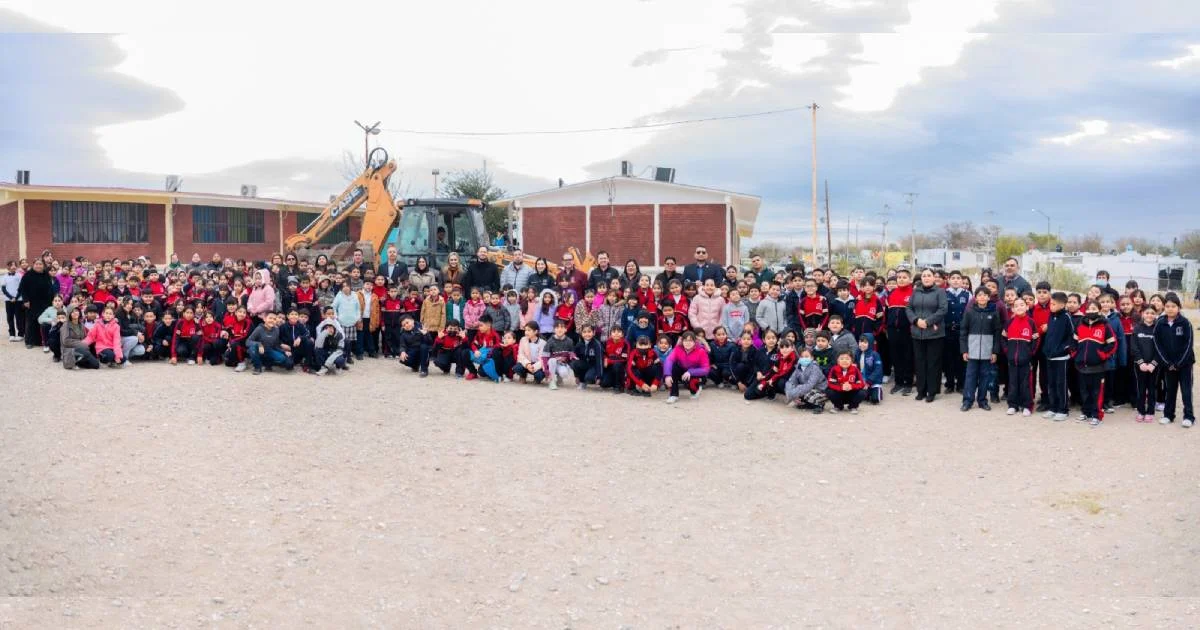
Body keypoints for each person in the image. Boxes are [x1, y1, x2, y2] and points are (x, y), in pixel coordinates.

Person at [906, 268, 947, 403]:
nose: (926, 278)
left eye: (929, 275)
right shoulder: (916, 291)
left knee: (933, 364)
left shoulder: (940, 292)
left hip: (934, 334)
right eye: (924, 275)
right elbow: (909, 308)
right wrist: (916, 321)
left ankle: (932, 391)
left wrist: (928, 322)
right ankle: (921, 390)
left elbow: (942, 310)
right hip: (918, 333)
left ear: (934, 278)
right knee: (920, 362)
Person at [1153, 294, 1194, 427]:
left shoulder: (1185, 323)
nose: (1170, 309)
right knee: (1170, 390)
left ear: (1179, 307)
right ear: (1164, 307)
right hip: (1168, 365)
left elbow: (1188, 345)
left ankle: (1189, 416)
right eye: (1167, 306)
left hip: (1184, 364)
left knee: (1186, 390)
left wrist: (1179, 363)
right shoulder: (1160, 323)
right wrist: (1167, 363)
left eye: (1173, 306)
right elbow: (1157, 344)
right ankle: (1168, 415)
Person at [1074, 302, 1116, 426]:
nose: (1090, 310)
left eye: (1093, 308)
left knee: (1096, 392)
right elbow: (1074, 342)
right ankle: (1086, 412)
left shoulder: (1105, 325)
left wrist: (1102, 355)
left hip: (1098, 367)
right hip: (1081, 366)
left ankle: (1097, 415)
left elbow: (1112, 344)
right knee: (1084, 391)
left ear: (1099, 310)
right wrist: (1075, 354)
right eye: (1088, 308)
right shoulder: (1080, 324)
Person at [1039, 291, 1074, 421]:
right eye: (1051, 303)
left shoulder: (1066, 317)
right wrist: (1046, 349)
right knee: (1051, 383)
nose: (1051, 306)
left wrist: (1062, 349)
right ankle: (1053, 408)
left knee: (1061, 384)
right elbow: (1049, 335)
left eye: (1054, 304)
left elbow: (1072, 337)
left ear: (1062, 305)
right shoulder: (1051, 316)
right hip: (1049, 356)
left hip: (1061, 358)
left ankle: (1063, 409)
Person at [1002, 298, 1038, 416]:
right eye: (1016, 306)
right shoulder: (1009, 322)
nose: (1019, 307)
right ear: (1013, 309)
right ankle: (1013, 405)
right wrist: (1008, 351)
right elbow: (1003, 338)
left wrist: (1030, 353)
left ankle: (1027, 405)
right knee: (1013, 382)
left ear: (1027, 307)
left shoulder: (1031, 322)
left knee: (1025, 383)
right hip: (1012, 360)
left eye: (1022, 305)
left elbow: (1036, 340)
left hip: (1025, 360)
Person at [1130, 305, 1160, 422]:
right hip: (1140, 365)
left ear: (1155, 315)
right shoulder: (1137, 328)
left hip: (1154, 366)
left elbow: (1160, 348)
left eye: (1152, 313)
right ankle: (1141, 411)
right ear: (1142, 314)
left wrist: (1153, 363)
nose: (1149, 315)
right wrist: (1141, 362)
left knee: (1152, 388)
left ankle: (1150, 411)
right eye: (1147, 313)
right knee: (1140, 388)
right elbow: (1134, 347)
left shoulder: (1158, 329)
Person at [663, 330, 710, 404]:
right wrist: (667, 375)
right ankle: (673, 395)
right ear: (682, 341)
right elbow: (669, 360)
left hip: (696, 373)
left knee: (691, 382)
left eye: (690, 341)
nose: (688, 343)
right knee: (673, 367)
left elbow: (706, 369)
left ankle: (696, 389)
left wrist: (690, 372)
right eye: (685, 340)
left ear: (695, 342)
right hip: (683, 370)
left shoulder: (701, 351)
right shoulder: (678, 349)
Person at [17, 258, 55, 348]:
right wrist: (25, 300)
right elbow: (22, 289)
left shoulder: (46, 274)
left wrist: (53, 300)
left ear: (43, 265)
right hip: (32, 302)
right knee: (31, 322)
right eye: (36, 264)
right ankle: (29, 341)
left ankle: (39, 341)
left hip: (45, 302)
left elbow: (50, 288)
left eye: (40, 264)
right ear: (33, 265)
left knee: (42, 321)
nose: (38, 266)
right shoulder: (28, 275)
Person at [784, 347, 828, 413]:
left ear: (812, 358)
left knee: (806, 394)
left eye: (807, 356)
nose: (804, 358)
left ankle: (819, 405)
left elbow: (810, 385)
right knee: (791, 388)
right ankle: (809, 404)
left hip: (820, 390)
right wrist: (791, 394)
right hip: (805, 389)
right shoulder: (798, 367)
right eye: (802, 356)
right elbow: (791, 381)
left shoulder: (815, 368)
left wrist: (795, 393)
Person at [543, 320, 576, 390]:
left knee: (564, 373)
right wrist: (546, 369)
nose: (559, 329)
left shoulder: (569, 341)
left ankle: (559, 377)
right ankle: (552, 381)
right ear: (554, 329)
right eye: (557, 327)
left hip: (562, 364)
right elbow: (545, 356)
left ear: (565, 329)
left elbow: (571, 353)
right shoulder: (550, 341)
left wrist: (572, 357)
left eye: (562, 327)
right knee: (552, 360)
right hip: (551, 364)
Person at [855, 333, 884, 404]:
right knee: (860, 397)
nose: (862, 344)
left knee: (875, 400)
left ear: (870, 343)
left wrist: (870, 381)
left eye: (865, 342)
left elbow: (878, 370)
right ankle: (867, 393)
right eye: (860, 342)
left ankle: (877, 390)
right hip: (862, 381)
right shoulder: (857, 353)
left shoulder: (875, 354)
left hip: (873, 381)